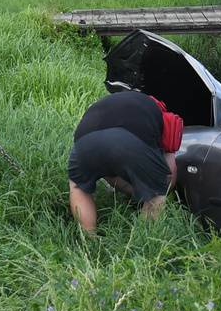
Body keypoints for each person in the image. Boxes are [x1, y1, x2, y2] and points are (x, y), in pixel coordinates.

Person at [66, 89, 183, 234]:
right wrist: (160, 189)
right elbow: (170, 170)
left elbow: (110, 163)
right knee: (158, 190)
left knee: (78, 188)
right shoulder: (165, 116)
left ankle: (88, 240)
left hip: (85, 142)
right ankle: (143, 244)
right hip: (130, 142)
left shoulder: (107, 102)